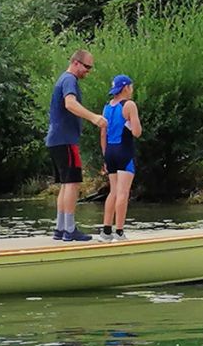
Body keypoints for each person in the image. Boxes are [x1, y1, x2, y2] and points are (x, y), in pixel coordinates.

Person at [45, 49, 106, 243]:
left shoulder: (63, 79)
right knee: (72, 184)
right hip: (65, 139)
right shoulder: (69, 80)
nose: (88, 71)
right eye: (87, 67)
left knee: (66, 185)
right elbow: (70, 104)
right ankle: (70, 229)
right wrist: (94, 117)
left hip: (55, 140)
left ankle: (60, 228)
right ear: (76, 63)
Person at [99, 74, 141, 242]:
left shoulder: (106, 108)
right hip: (124, 151)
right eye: (131, 87)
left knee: (113, 191)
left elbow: (103, 134)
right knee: (123, 192)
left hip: (109, 151)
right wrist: (130, 124)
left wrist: (105, 155)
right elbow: (137, 133)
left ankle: (106, 231)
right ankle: (120, 232)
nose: (132, 90)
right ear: (126, 88)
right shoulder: (129, 105)